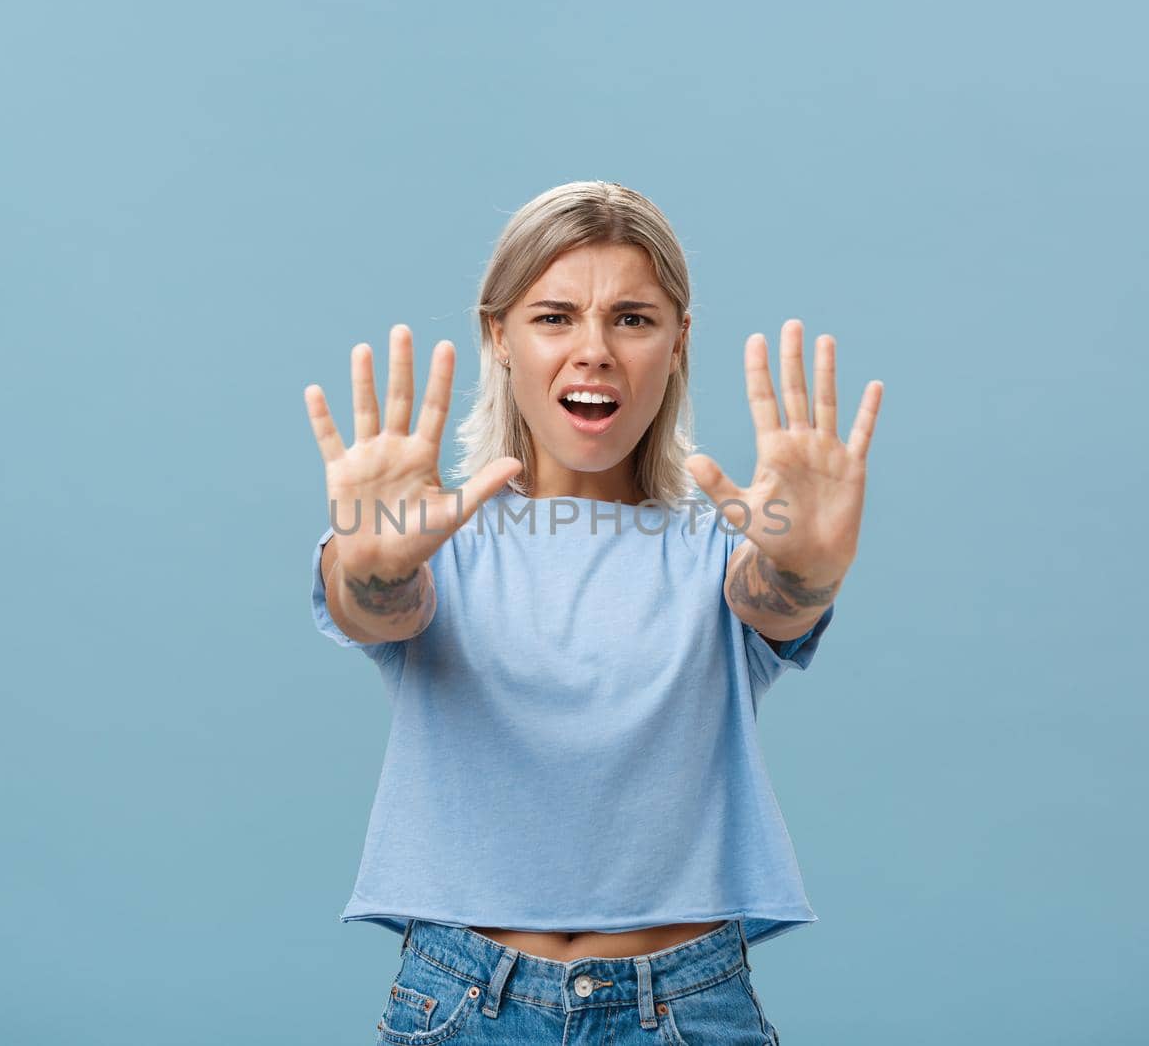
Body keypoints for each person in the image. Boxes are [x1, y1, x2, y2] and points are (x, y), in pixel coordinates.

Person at [304, 181, 882, 1044]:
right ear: (499, 335)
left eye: (633, 319)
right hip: (461, 1006)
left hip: (682, 1010)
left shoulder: (720, 546)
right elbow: (376, 606)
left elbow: (774, 601)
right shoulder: (431, 534)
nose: (595, 351)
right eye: (554, 317)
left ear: (678, 342)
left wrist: (805, 568)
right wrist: (373, 566)